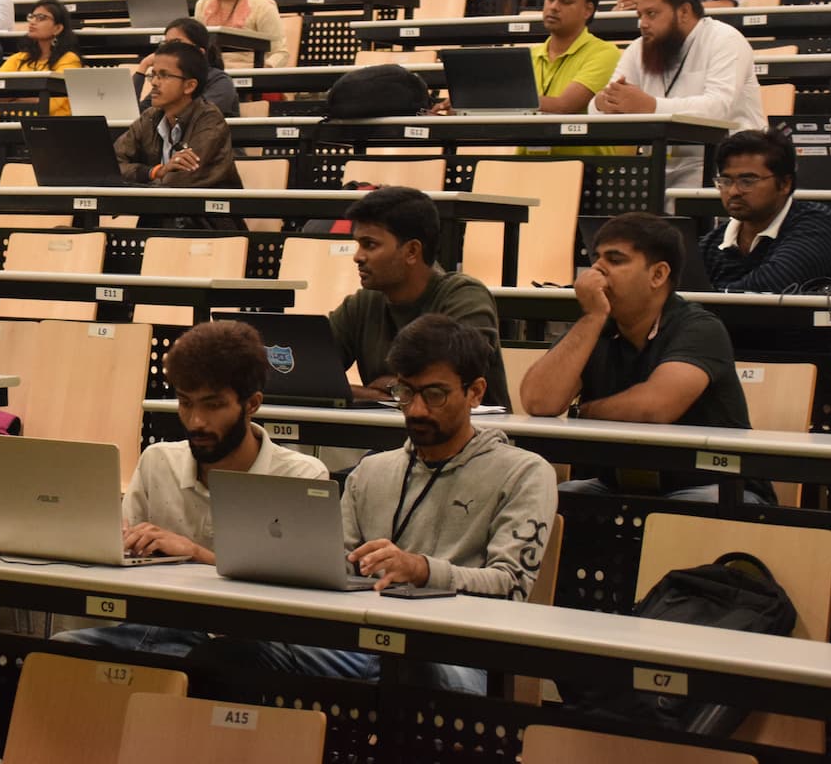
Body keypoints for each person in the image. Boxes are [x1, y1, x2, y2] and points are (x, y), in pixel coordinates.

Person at [187, 314, 556, 696]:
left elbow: (512, 586)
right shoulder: (372, 471)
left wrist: (422, 570)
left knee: (412, 669)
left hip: (457, 653)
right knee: (222, 656)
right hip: (362, 646)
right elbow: (336, 565)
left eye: (434, 395)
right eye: (405, 393)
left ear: (476, 392)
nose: (415, 410)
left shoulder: (524, 473)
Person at [55, 320, 328, 654]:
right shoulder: (158, 461)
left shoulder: (301, 476)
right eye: (186, 403)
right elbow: (121, 566)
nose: (196, 420)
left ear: (252, 403)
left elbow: (298, 594)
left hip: (251, 642)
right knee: (59, 651)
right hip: (158, 627)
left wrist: (195, 554)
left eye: (213, 405)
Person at [521, 212, 772, 502]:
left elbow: (655, 408)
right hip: (624, 485)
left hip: (716, 485)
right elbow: (539, 401)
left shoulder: (700, 327)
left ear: (658, 274)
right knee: (546, 500)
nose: (597, 271)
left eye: (615, 261)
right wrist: (591, 318)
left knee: (684, 510)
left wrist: (586, 413)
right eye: (597, 259)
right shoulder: (596, 326)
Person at [328, 186, 511, 407]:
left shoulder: (466, 298)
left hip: (473, 439)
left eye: (370, 245)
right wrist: (374, 394)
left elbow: (440, 385)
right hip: (390, 437)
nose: (358, 257)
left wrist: (394, 388)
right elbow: (308, 374)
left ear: (412, 251)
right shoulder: (361, 304)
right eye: (358, 244)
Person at [592, 0, 763, 189]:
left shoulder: (725, 40)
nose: (642, 24)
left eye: (651, 14)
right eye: (640, 15)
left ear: (684, 11)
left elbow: (718, 107)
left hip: (723, 164)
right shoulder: (638, 48)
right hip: (657, 164)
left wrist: (651, 106)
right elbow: (599, 107)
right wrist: (603, 102)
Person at [700, 129, 831, 292]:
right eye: (725, 181)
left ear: (784, 183)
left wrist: (710, 299)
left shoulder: (817, 224)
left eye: (747, 181)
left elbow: (775, 283)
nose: (733, 192)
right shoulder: (713, 243)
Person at [113, 40, 241, 190]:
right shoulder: (149, 117)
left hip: (203, 211)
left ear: (189, 86)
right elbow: (111, 165)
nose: (154, 82)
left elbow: (181, 180)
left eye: (164, 75)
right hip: (156, 209)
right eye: (153, 75)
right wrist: (155, 171)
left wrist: (136, 182)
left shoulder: (210, 120)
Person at [532, 0, 620, 114]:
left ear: (588, 10)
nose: (553, 7)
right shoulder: (530, 55)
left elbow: (564, 106)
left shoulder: (604, 54)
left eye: (565, 1)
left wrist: (507, 102)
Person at [132, 17, 241, 117]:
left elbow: (199, 115)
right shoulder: (168, 80)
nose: (170, 49)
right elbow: (138, 114)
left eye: (176, 43)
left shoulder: (220, 81)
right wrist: (143, 66)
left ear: (200, 51)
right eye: (166, 43)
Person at [0, 0, 82, 114]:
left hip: (55, 126)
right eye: (32, 17)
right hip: (13, 123)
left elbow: (51, 104)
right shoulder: (17, 58)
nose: (32, 22)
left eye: (41, 18)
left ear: (57, 28)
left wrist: (14, 97)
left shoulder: (69, 59)